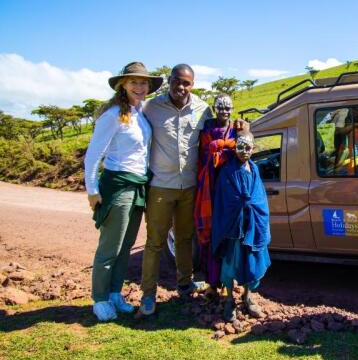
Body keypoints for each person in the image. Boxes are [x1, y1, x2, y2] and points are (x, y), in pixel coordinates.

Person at [84, 61, 162, 321]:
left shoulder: (140, 114)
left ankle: (115, 293)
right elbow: (94, 155)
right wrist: (92, 189)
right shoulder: (114, 114)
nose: (139, 87)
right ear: (123, 85)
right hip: (118, 185)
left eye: (143, 83)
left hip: (138, 185)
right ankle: (100, 298)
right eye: (134, 82)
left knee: (126, 245)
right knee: (110, 246)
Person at [138, 64, 213, 316]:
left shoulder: (203, 109)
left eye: (186, 83)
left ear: (193, 84)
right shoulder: (151, 107)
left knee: (184, 238)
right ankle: (148, 295)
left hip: (190, 187)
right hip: (161, 186)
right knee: (155, 242)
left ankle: (185, 284)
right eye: (176, 81)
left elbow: (213, 135)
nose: (180, 87)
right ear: (169, 81)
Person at [210, 131, 271, 322]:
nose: (244, 151)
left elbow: (259, 198)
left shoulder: (255, 169)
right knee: (231, 264)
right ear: (235, 148)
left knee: (250, 262)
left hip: (251, 226)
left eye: (248, 147)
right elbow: (224, 201)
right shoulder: (227, 171)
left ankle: (247, 297)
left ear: (253, 149)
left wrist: (252, 208)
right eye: (240, 147)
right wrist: (240, 207)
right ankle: (229, 300)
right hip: (234, 228)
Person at [194, 94, 248, 300]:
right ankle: (211, 284)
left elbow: (244, 149)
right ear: (215, 108)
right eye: (220, 107)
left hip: (229, 190)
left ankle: (227, 281)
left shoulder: (236, 129)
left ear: (232, 108)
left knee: (229, 236)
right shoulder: (207, 129)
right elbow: (206, 155)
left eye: (228, 108)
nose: (224, 111)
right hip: (209, 187)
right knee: (210, 237)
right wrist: (224, 148)